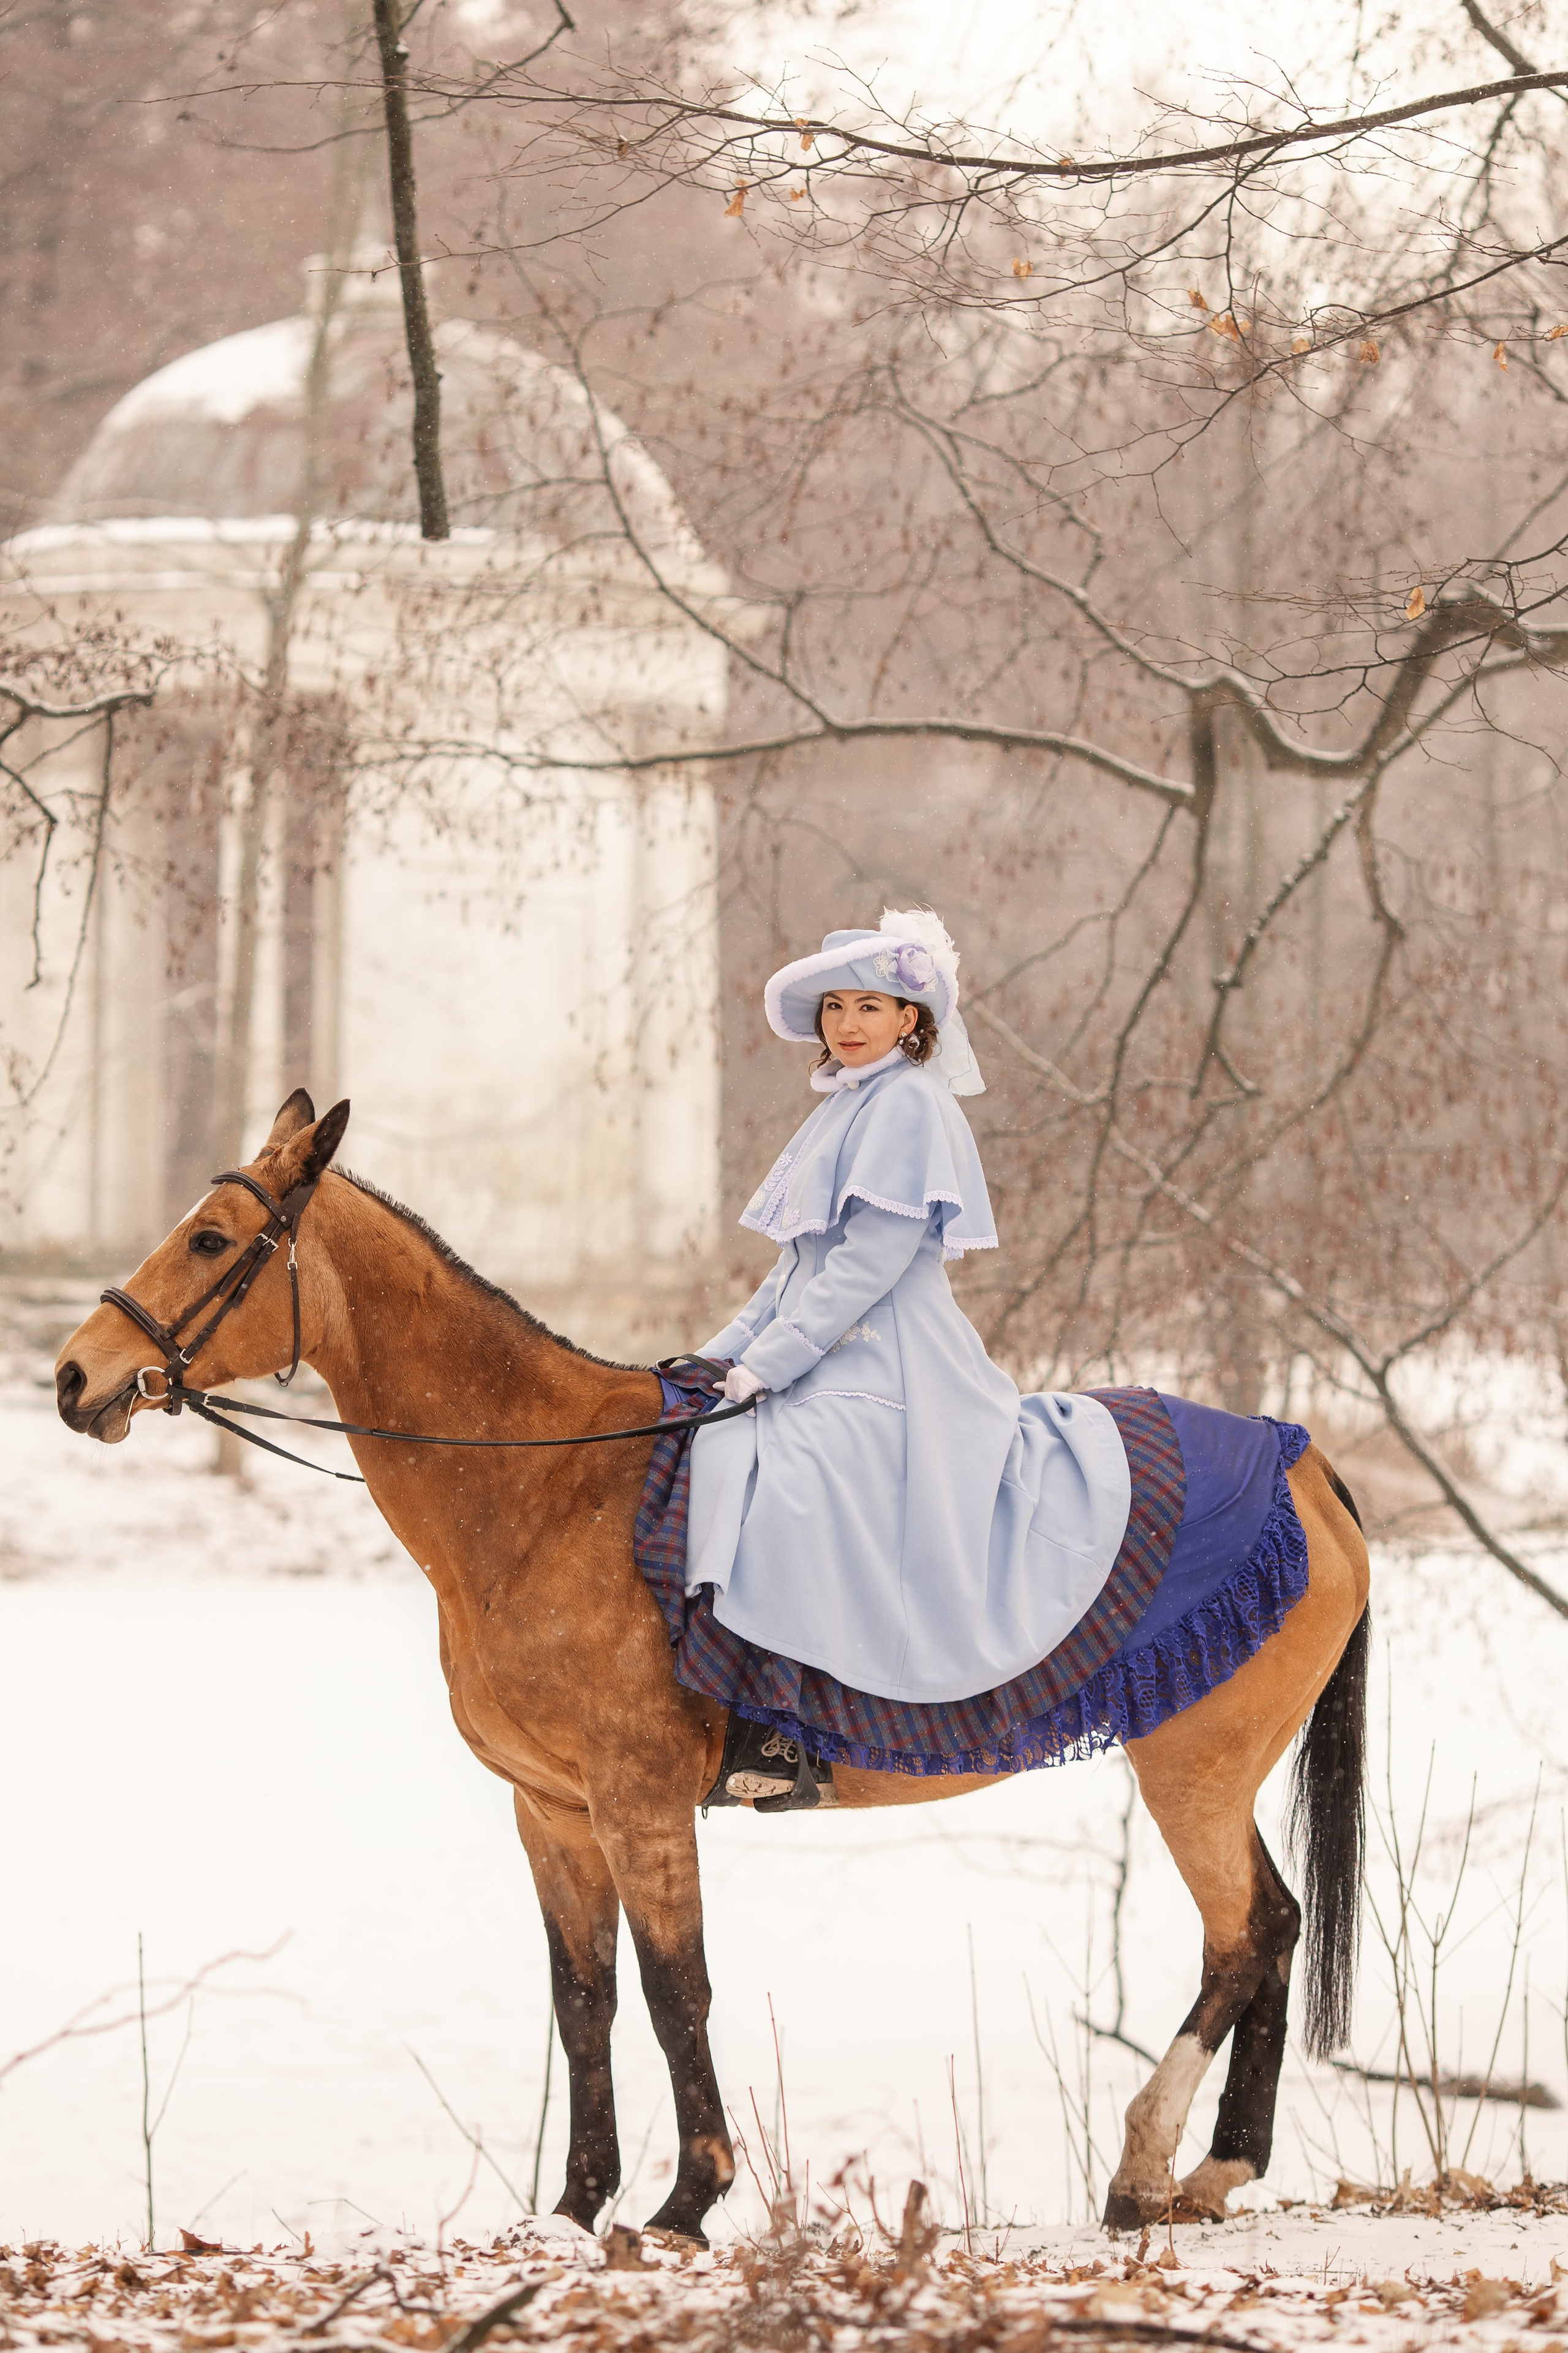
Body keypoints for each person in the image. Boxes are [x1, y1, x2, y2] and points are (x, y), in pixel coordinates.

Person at [686, 909, 1134, 1707]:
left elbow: (869, 1265)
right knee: (711, 1443)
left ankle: (796, 1712)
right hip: (833, 1351)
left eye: (868, 1006)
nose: (847, 1023)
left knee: (795, 1477)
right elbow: (794, 1269)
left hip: (892, 1361)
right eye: (835, 1007)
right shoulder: (841, 1107)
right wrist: (712, 1361)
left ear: (910, 1018)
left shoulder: (910, 1103)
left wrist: (771, 1364)